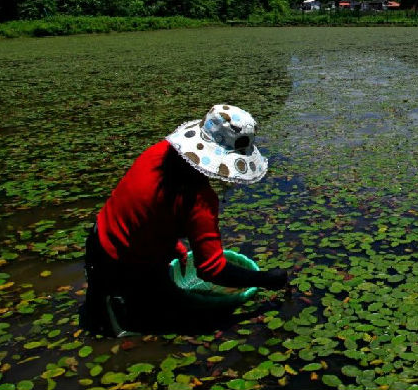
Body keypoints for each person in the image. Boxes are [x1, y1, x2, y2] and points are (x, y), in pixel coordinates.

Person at [82, 105, 288, 336]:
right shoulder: (199, 201)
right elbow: (212, 270)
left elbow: (148, 212)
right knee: (125, 326)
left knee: (102, 313)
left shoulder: (161, 151)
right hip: (123, 263)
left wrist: (174, 246)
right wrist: (265, 279)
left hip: (98, 240)